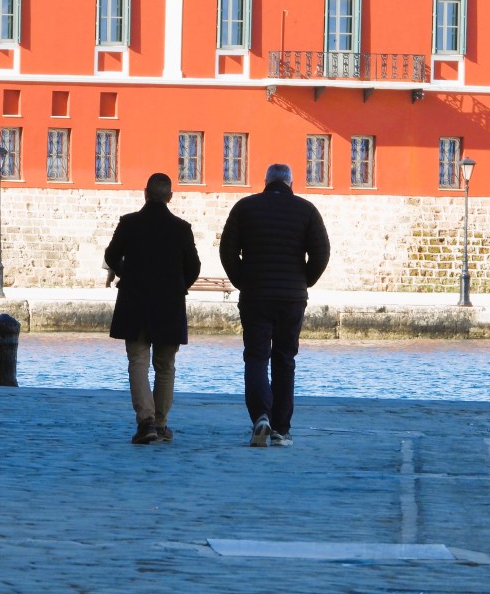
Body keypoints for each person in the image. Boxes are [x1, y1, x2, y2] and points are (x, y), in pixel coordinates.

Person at [219, 163, 330, 447]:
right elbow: (321, 253)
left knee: (256, 357)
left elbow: (227, 251)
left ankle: (261, 417)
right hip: (292, 298)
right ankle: (281, 429)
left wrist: (242, 280)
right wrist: (304, 281)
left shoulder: (244, 208)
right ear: (291, 183)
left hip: (255, 295)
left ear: (266, 181)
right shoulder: (307, 211)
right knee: (285, 360)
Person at [105, 172, 201, 445]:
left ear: (145, 192)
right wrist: (178, 285)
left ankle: (145, 422)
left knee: (138, 362)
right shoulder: (182, 228)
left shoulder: (129, 223)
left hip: (134, 301)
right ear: (170, 197)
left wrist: (128, 273)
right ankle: (160, 424)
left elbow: (111, 256)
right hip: (169, 303)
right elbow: (194, 267)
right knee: (165, 365)